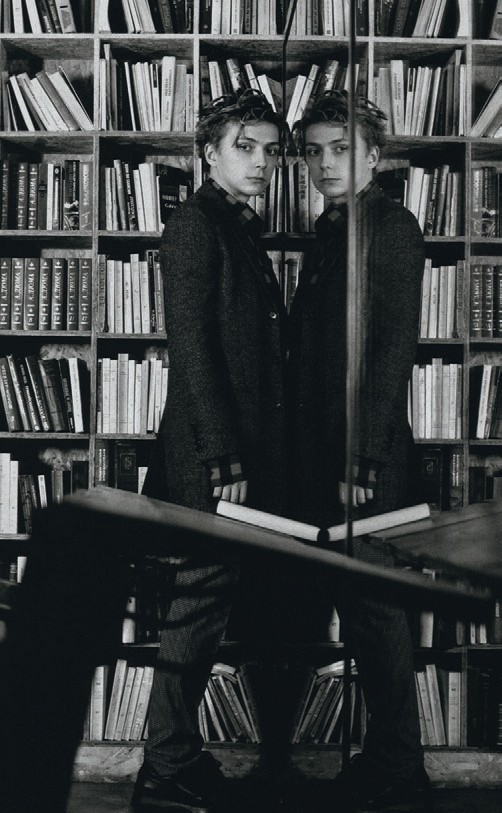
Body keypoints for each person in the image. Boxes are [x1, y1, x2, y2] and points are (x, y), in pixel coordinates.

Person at [132, 89, 288, 812]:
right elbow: (191, 350)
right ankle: (164, 766)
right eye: (244, 147)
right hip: (212, 459)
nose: (260, 163)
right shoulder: (196, 225)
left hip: (235, 455)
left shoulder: (235, 226)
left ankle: (176, 757)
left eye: (269, 150)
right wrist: (225, 461)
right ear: (209, 153)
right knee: (195, 614)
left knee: (207, 610)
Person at [288, 90, 433, 811]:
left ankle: (401, 772)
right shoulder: (332, 229)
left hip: (363, 462)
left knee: (375, 614)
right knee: (359, 609)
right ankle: (389, 763)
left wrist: (363, 463)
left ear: (374, 156)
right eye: (314, 151)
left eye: (341, 148)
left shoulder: (391, 226)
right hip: (325, 455)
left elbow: (392, 351)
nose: (325, 163)